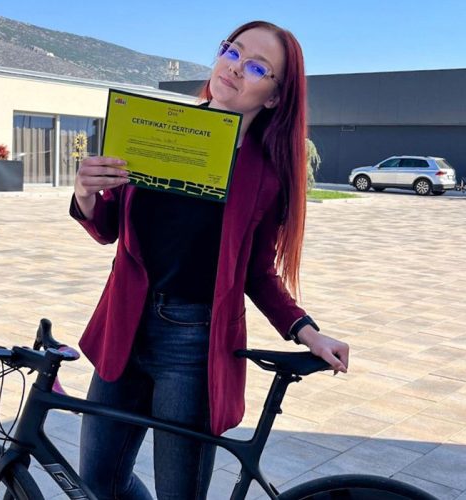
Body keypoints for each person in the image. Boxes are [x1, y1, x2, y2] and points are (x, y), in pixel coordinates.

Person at [69, 20, 350, 499]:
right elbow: (109, 227)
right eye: (232, 51)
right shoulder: (155, 132)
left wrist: (306, 330)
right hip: (125, 324)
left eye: (257, 67)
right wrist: (86, 194)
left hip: (193, 343)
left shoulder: (266, 176)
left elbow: (256, 272)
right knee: (98, 481)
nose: (235, 67)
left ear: (274, 97)